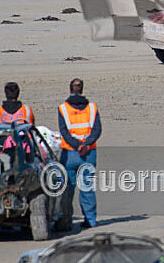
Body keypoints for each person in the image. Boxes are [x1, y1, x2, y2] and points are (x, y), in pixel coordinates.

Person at [57, 78, 101, 229]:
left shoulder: (63, 109)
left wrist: (77, 146)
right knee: (87, 188)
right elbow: (97, 130)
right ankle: (90, 219)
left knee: (67, 189)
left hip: (70, 154)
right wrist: (86, 145)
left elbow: (64, 131)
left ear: (70, 89)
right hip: (88, 153)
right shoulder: (92, 108)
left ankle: (65, 220)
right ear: (82, 90)